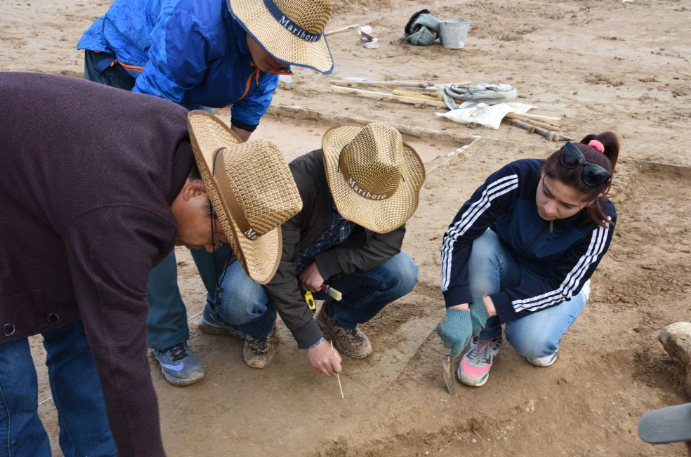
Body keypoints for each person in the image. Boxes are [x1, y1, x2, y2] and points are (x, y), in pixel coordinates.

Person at [0, 72, 301, 456]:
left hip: (38, 194)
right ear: (196, 191)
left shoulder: (175, 144)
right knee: (11, 390)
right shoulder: (120, 217)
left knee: (80, 342)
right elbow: (122, 364)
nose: (211, 248)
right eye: (219, 236)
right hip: (35, 183)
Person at [77, 0, 335, 386]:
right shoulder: (197, 23)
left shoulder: (271, 53)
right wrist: (173, 186)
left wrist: (222, 178)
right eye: (277, 50)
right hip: (129, 73)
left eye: (290, 57)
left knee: (219, 201)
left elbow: (247, 115)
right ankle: (166, 337)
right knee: (152, 208)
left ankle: (220, 309)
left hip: (188, 78)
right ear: (253, 25)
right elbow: (148, 113)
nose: (283, 64)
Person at [197, 123, 425, 373]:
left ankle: (337, 319)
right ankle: (261, 330)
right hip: (274, 259)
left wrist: (328, 265)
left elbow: (388, 243)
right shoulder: (297, 181)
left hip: (329, 266)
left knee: (403, 272)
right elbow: (278, 263)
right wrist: (312, 340)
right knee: (237, 298)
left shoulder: (387, 184)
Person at [437, 133, 619, 387]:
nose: (549, 209)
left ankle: (536, 330)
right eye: (546, 192)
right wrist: (457, 305)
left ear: (589, 203)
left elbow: (562, 285)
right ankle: (486, 336)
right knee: (479, 242)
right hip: (504, 259)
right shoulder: (516, 177)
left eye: (566, 206)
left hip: (552, 282)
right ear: (543, 172)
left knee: (532, 343)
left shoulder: (601, 220)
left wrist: (487, 306)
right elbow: (458, 236)